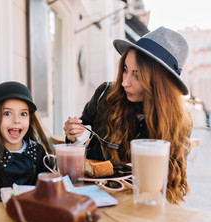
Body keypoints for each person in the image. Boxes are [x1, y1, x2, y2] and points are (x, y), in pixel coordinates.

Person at [63, 27, 192, 204]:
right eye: (125, 69)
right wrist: (72, 135)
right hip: (95, 202)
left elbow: (170, 187)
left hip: (142, 210)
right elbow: (79, 139)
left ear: (159, 83)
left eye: (137, 75)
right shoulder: (105, 96)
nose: (124, 82)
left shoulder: (178, 122)